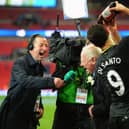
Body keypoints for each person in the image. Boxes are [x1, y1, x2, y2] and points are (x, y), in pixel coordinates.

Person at [0, 34, 65, 129]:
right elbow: (25, 81)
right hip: (14, 115)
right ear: (31, 47)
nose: (45, 48)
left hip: (29, 116)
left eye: (46, 45)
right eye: (41, 45)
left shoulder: (39, 67)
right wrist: (51, 82)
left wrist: (40, 106)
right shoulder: (20, 63)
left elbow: (36, 90)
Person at [87, 1, 129, 129]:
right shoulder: (122, 49)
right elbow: (120, 51)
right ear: (107, 33)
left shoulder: (98, 63)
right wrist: (126, 9)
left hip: (114, 116)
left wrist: (113, 31)